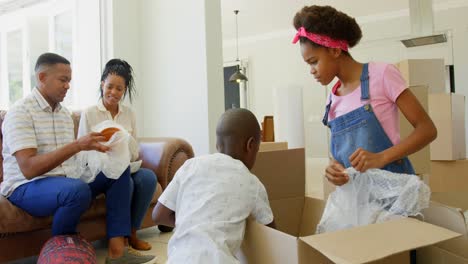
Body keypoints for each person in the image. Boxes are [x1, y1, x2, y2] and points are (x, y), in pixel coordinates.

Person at [1, 53, 155, 264]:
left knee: (119, 168)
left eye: (69, 81)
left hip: (67, 180)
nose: (67, 86)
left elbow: (73, 164)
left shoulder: (63, 114)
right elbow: (28, 168)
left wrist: (102, 157)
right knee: (76, 190)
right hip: (26, 186)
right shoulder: (20, 113)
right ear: (42, 77)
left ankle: (118, 252)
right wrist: (78, 145)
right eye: (63, 80)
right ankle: (60, 254)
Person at [292, 5, 437, 186]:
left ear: (335, 51)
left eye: (314, 62)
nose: (312, 71)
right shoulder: (332, 100)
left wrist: (381, 157)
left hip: (394, 193)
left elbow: (427, 129)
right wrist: (334, 167)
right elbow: (341, 156)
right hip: (358, 198)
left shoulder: (382, 74)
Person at [152, 108, 275, 264]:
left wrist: (191, 221)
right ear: (250, 145)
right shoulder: (252, 183)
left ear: (217, 144)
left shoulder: (190, 166)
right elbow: (272, 234)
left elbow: (158, 215)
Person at [78, 59, 157, 252]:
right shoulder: (90, 113)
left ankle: (132, 232)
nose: (113, 93)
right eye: (110, 86)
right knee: (126, 183)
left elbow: (135, 152)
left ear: (125, 90)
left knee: (148, 178)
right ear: (102, 84)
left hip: (125, 165)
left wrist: (125, 142)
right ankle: (119, 238)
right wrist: (103, 147)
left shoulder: (129, 113)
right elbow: (81, 151)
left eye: (119, 89)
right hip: (99, 170)